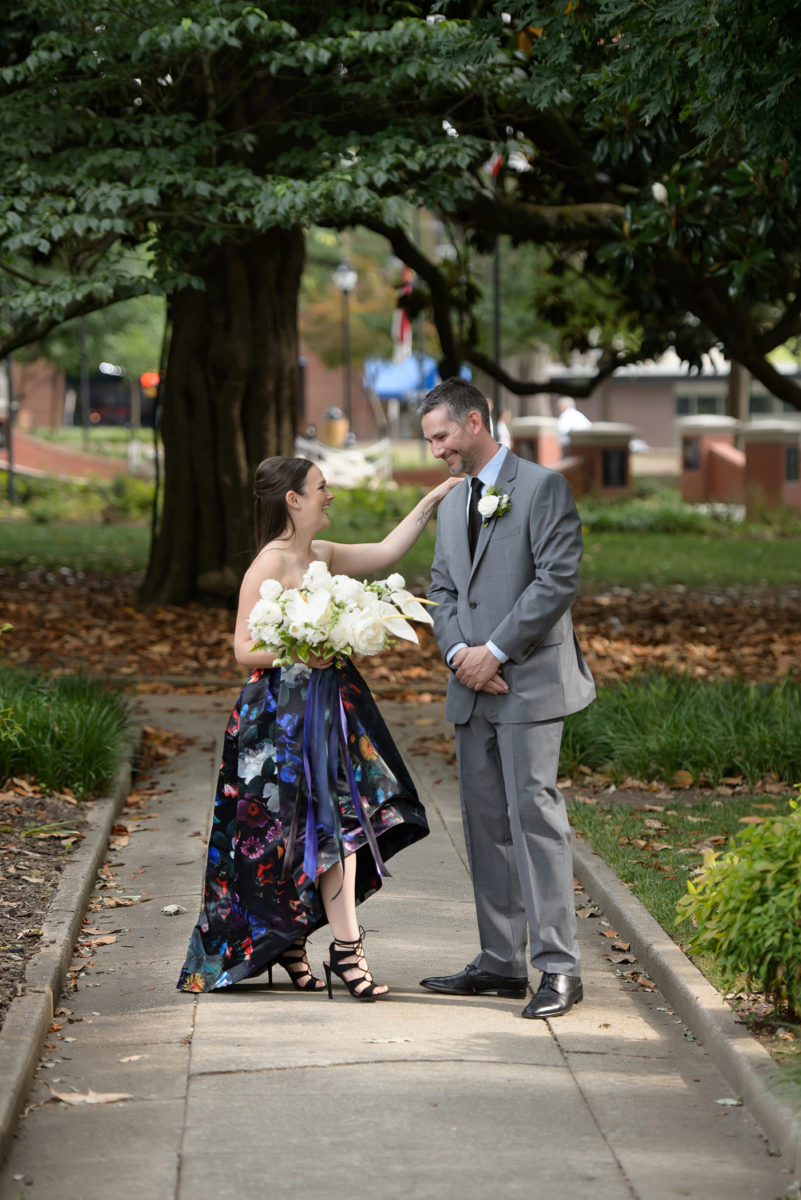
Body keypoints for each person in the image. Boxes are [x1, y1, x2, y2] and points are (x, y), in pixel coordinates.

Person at [178, 456, 459, 1001]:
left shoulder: (322, 555)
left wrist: (432, 499)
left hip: (331, 708)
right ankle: (345, 951)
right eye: (321, 487)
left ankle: (300, 942)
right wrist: (306, 646)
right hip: (280, 719)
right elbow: (242, 649)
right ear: (294, 499)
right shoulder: (269, 563)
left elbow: (386, 552)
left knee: (339, 822)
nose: (329, 494)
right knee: (312, 830)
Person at [418, 378, 595, 1019]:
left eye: (441, 436)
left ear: (473, 422)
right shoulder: (449, 503)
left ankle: (558, 969)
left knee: (535, 825)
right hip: (472, 688)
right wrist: (458, 657)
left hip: (529, 682)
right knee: (484, 825)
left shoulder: (542, 487)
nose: (436, 450)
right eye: (430, 440)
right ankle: (499, 962)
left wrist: (492, 652)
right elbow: (440, 591)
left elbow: (557, 580)